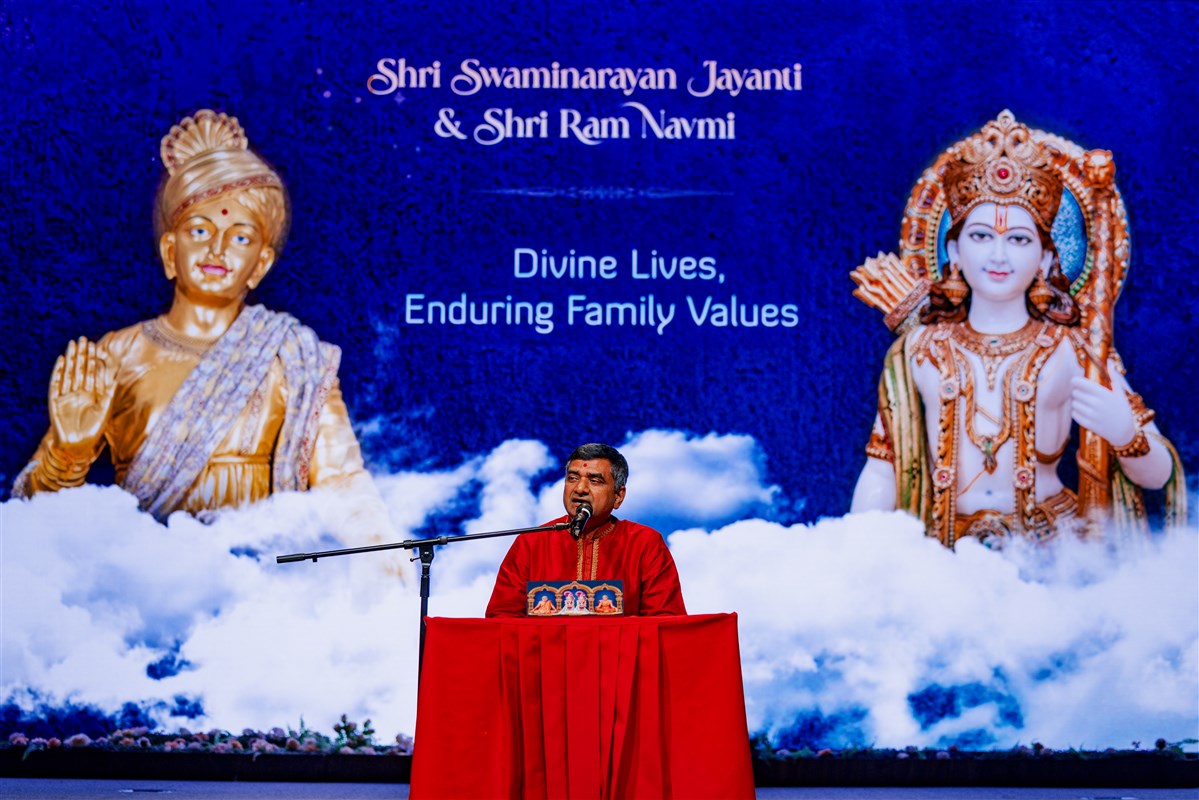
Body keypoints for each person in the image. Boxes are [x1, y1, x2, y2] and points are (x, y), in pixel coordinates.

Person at [12, 110, 393, 545]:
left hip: (258, 575)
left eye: (240, 237)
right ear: (170, 250)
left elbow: (344, 484)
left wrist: (383, 555)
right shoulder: (116, 355)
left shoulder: (295, 357)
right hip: (142, 570)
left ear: (261, 264)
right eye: (199, 230)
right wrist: (68, 454)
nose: (217, 248)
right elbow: (29, 519)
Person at [850, 111, 1184, 546]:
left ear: (1045, 259)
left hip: (1053, 552)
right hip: (944, 554)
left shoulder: (1074, 350)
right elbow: (883, 469)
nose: (998, 256)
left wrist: (1125, 435)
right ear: (954, 251)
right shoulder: (918, 351)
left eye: (1019, 240)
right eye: (981, 236)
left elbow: (1159, 475)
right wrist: (857, 552)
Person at [486, 443, 687, 617]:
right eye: (573, 478)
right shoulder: (531, 542)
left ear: (618, 496)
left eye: (595, 480)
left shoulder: (644, 544)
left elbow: (665, 623)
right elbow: (502, 619)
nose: (580, 488)